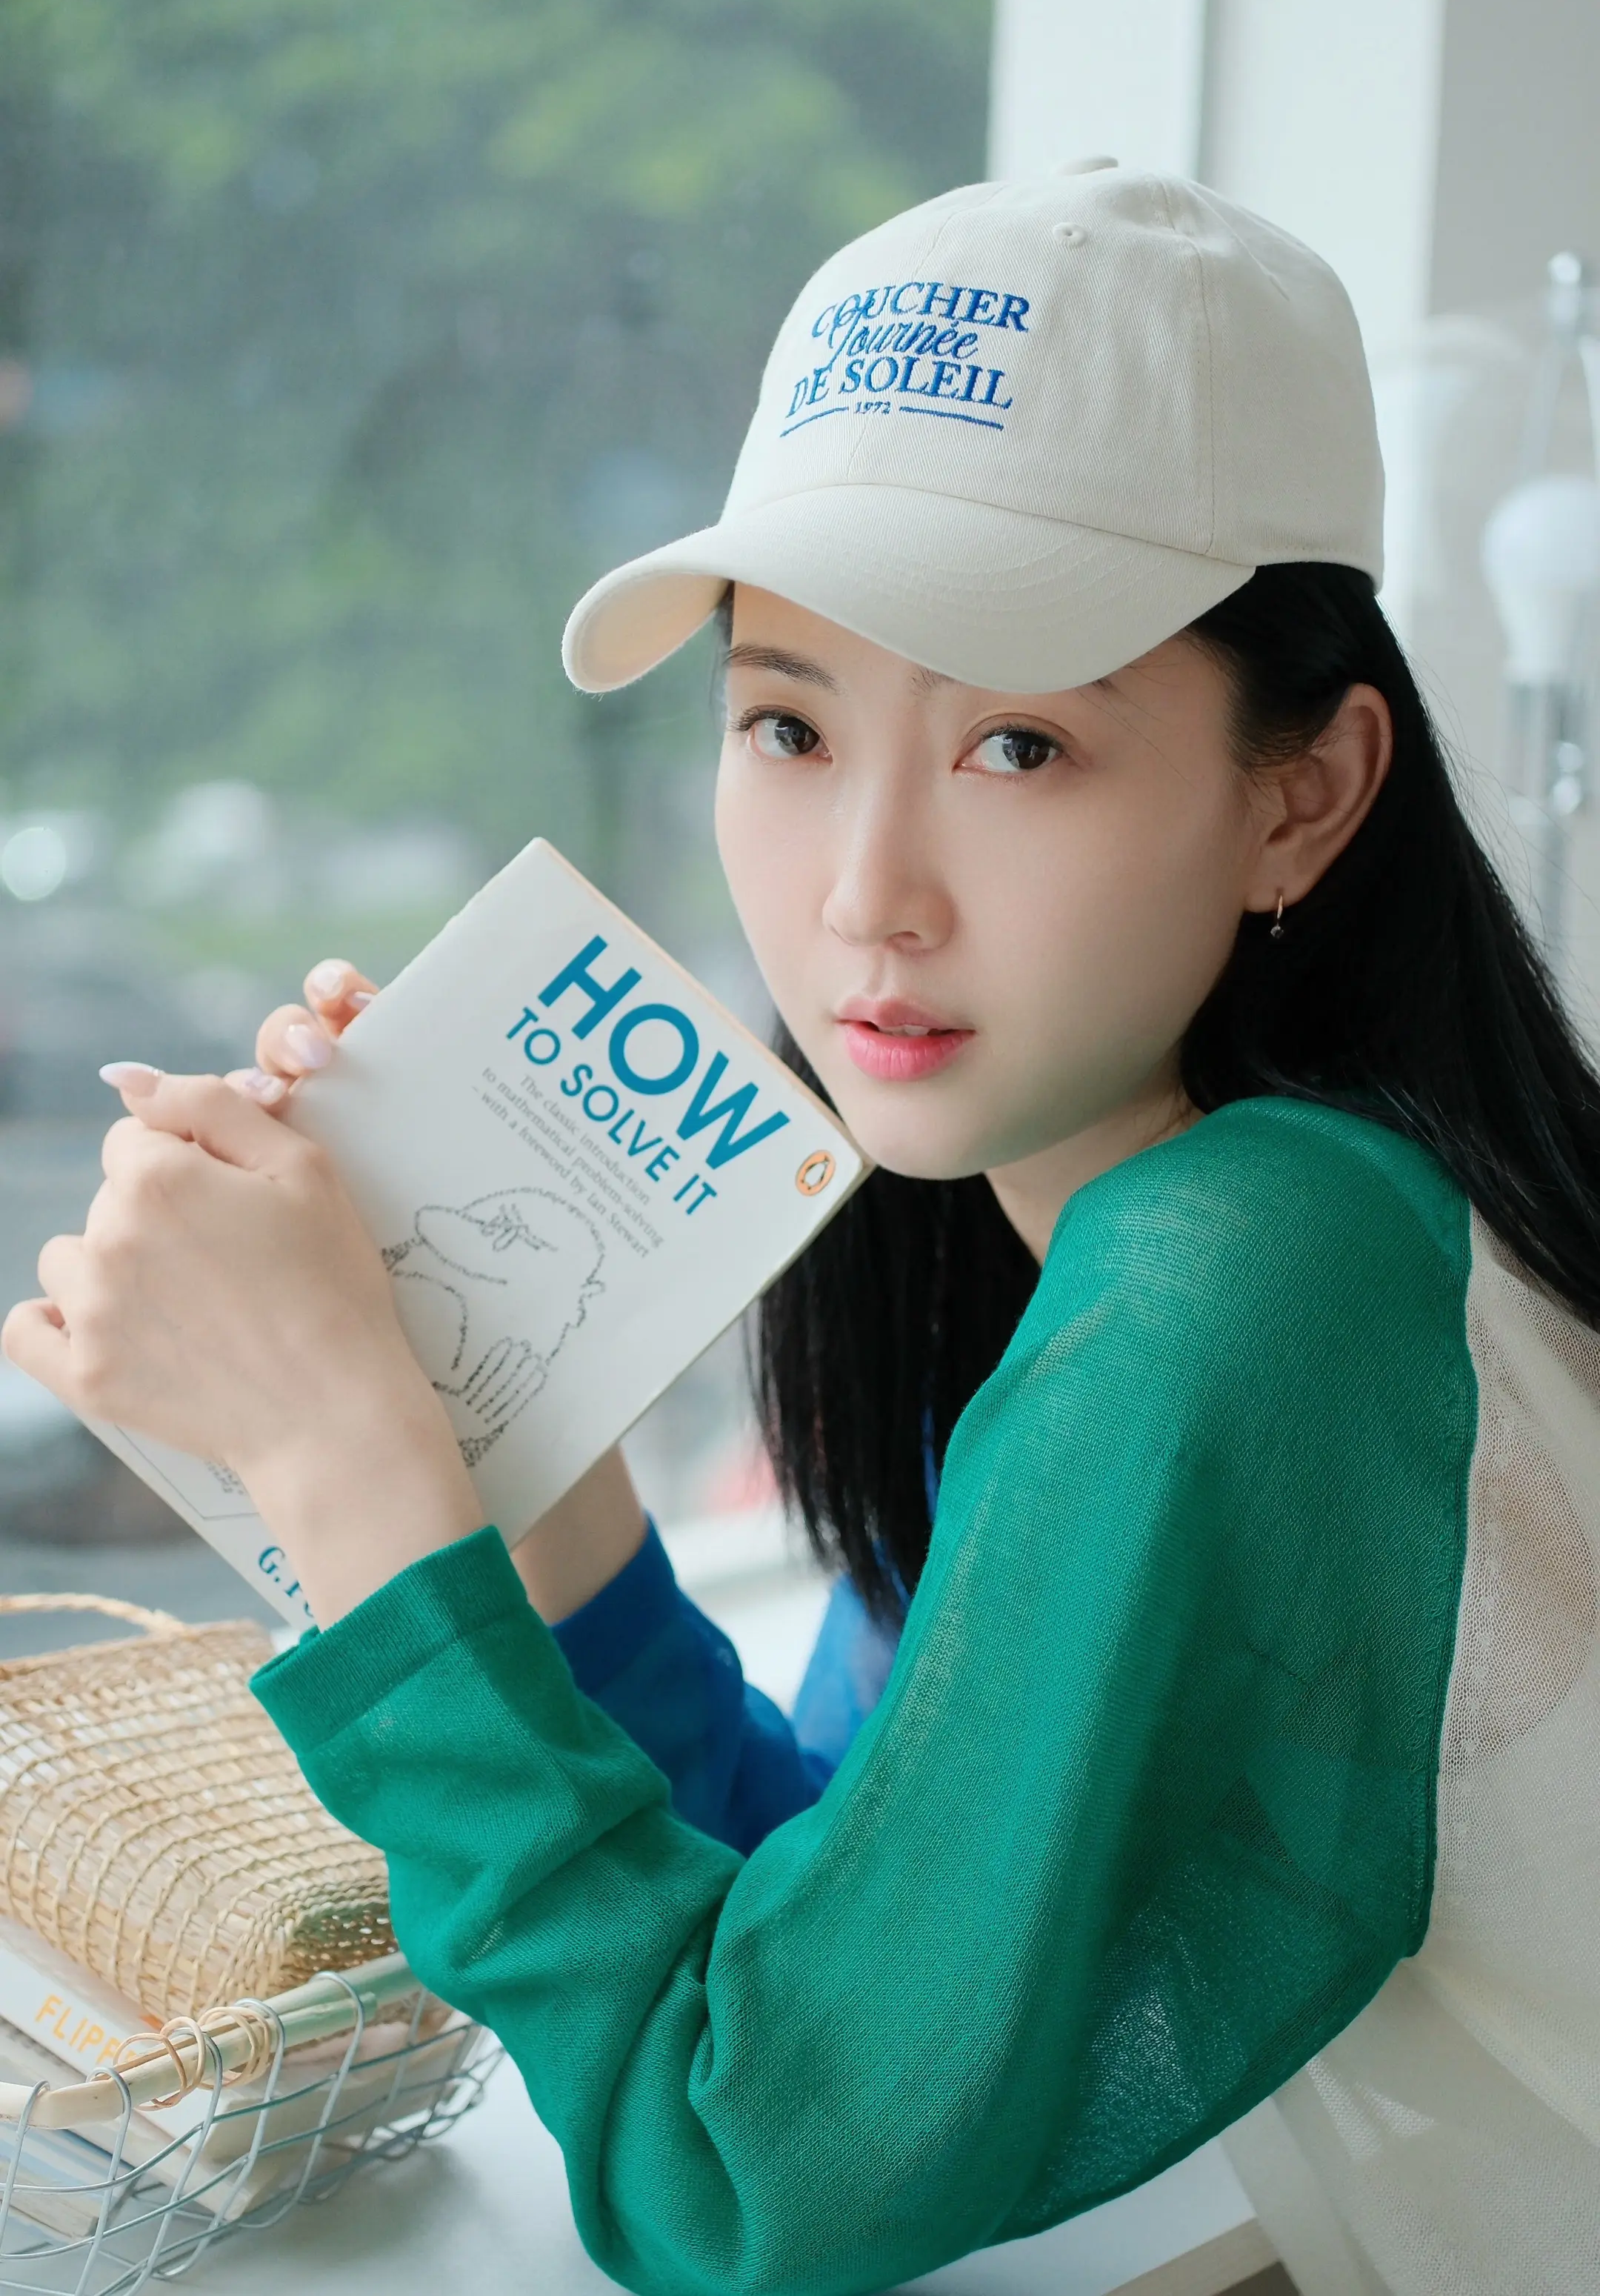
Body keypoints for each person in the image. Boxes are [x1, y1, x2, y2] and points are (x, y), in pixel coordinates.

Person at [7, 164, 1599, 2296]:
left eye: (1019, 743)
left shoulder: (1248, 1275)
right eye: (788, 721)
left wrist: (341, 1466)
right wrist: (508, 1449)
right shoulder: (1101, 1239)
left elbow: (754, 2185)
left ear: (1301, 791)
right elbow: (850, 1918)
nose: (865, 893)